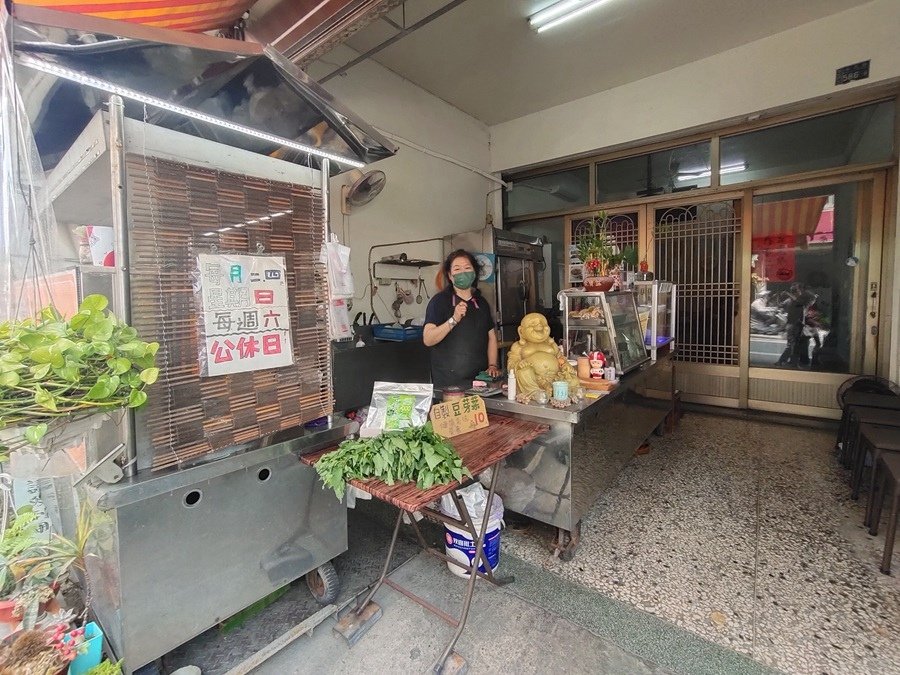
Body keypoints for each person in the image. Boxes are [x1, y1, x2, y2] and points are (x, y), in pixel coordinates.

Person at [423, 249, 500, 388]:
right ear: (450, 276)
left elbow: (491, 337)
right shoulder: (439, 301)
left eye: (467, 268)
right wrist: (454, 319)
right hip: (449, 385)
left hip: (480, 382)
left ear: (474, 273)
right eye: (457, 269)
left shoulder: (481, 303)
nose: (462, 272)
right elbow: (428, 339)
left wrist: (492, 365)